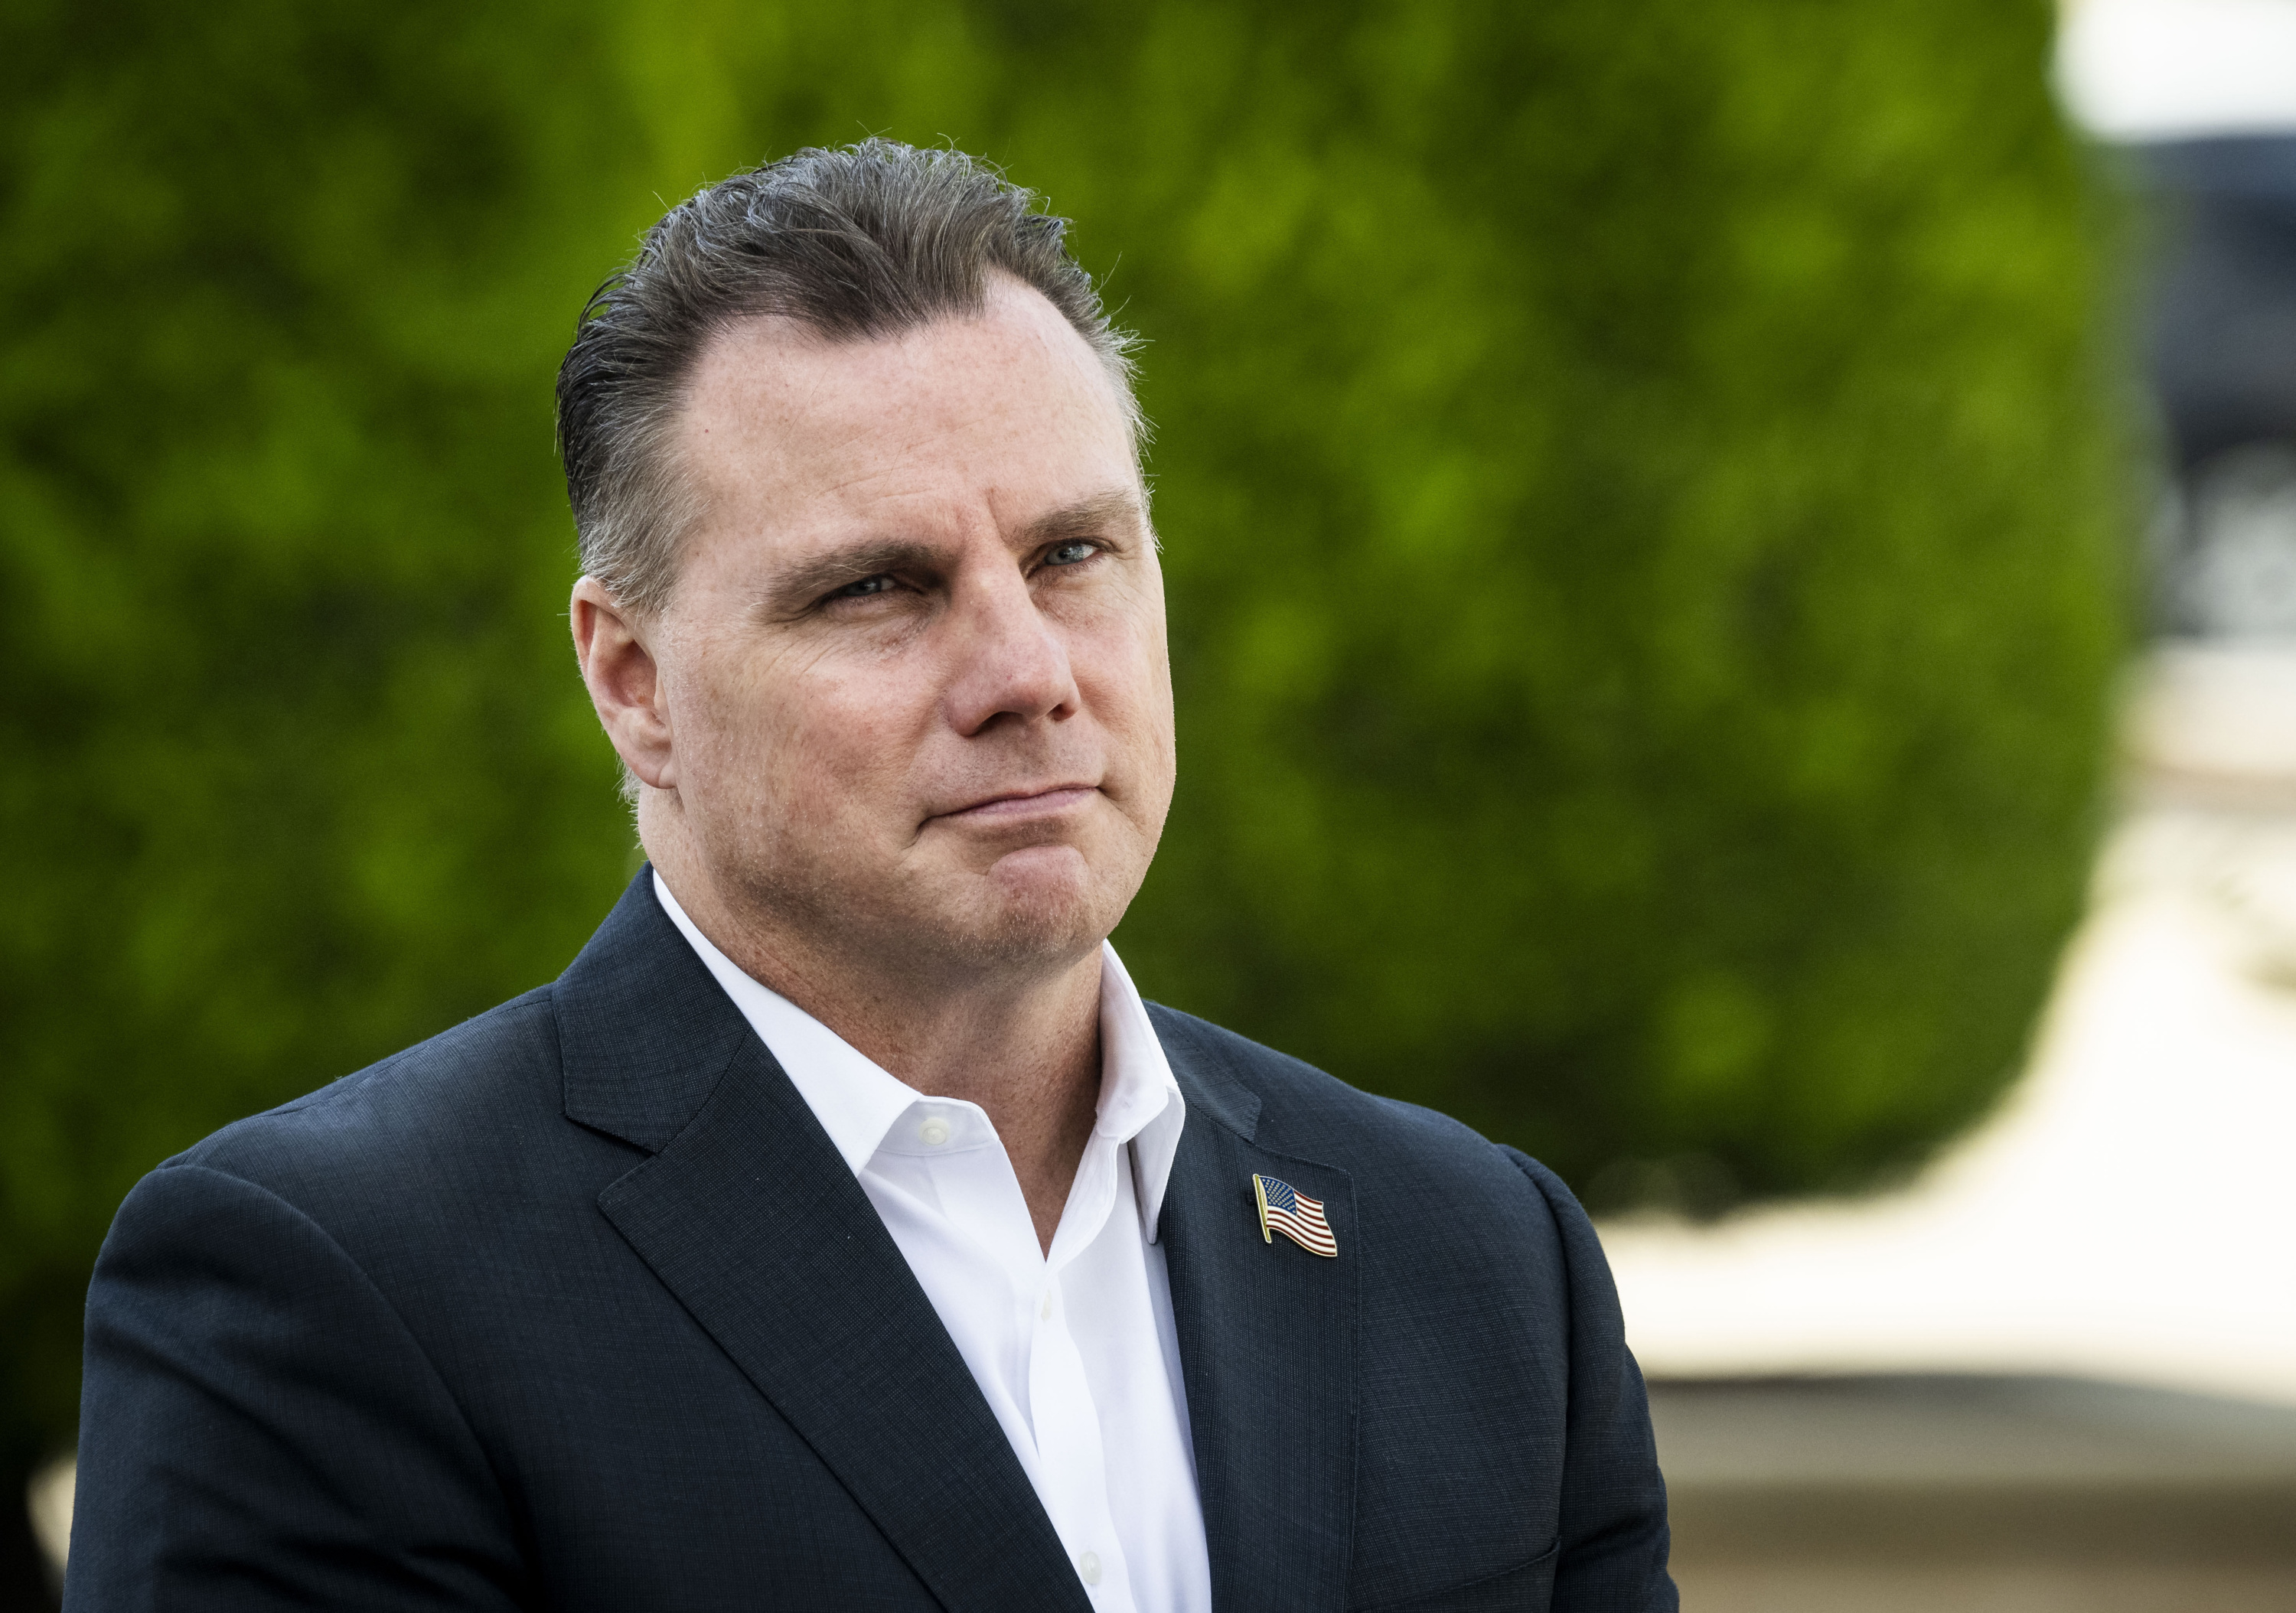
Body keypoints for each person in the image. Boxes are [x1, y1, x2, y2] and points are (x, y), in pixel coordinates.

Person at [66, 140, 1675, 1611]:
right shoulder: (333, 1290)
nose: (1026, 670)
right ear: (633, 682)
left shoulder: (1478, 1257)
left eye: (1072, 554)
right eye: (877, 589)